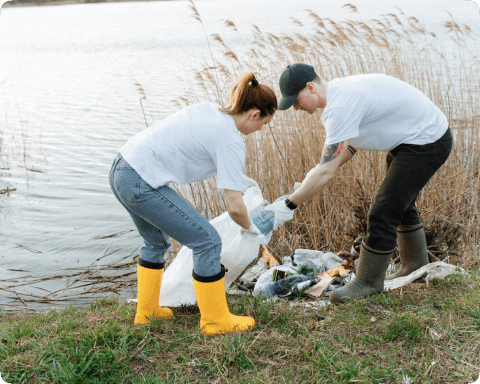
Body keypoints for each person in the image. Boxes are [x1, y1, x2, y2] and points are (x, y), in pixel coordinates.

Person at [266, 63, 452, 304]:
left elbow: (327, 172)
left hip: (426, 141)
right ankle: (415, 266)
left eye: (296, 100)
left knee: (383, 210)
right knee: (399, 204)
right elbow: (345, 150)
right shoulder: (341, 93)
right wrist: (315, 175)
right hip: (410, 140)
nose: (296, 107)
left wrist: (289, 205)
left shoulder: (339, 106)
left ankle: (368, 282)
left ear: (310, 88)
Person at [109, 73, 277, 334]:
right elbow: (234, 206)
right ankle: (215, 320)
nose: (260, 129)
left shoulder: (209, 111)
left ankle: (147, 311)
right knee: (207, 241)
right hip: (141, 181)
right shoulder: (231, 139)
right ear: (254, 114)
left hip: (122, 168)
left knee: (155, 242)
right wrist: (251, 229)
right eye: (264, 123)